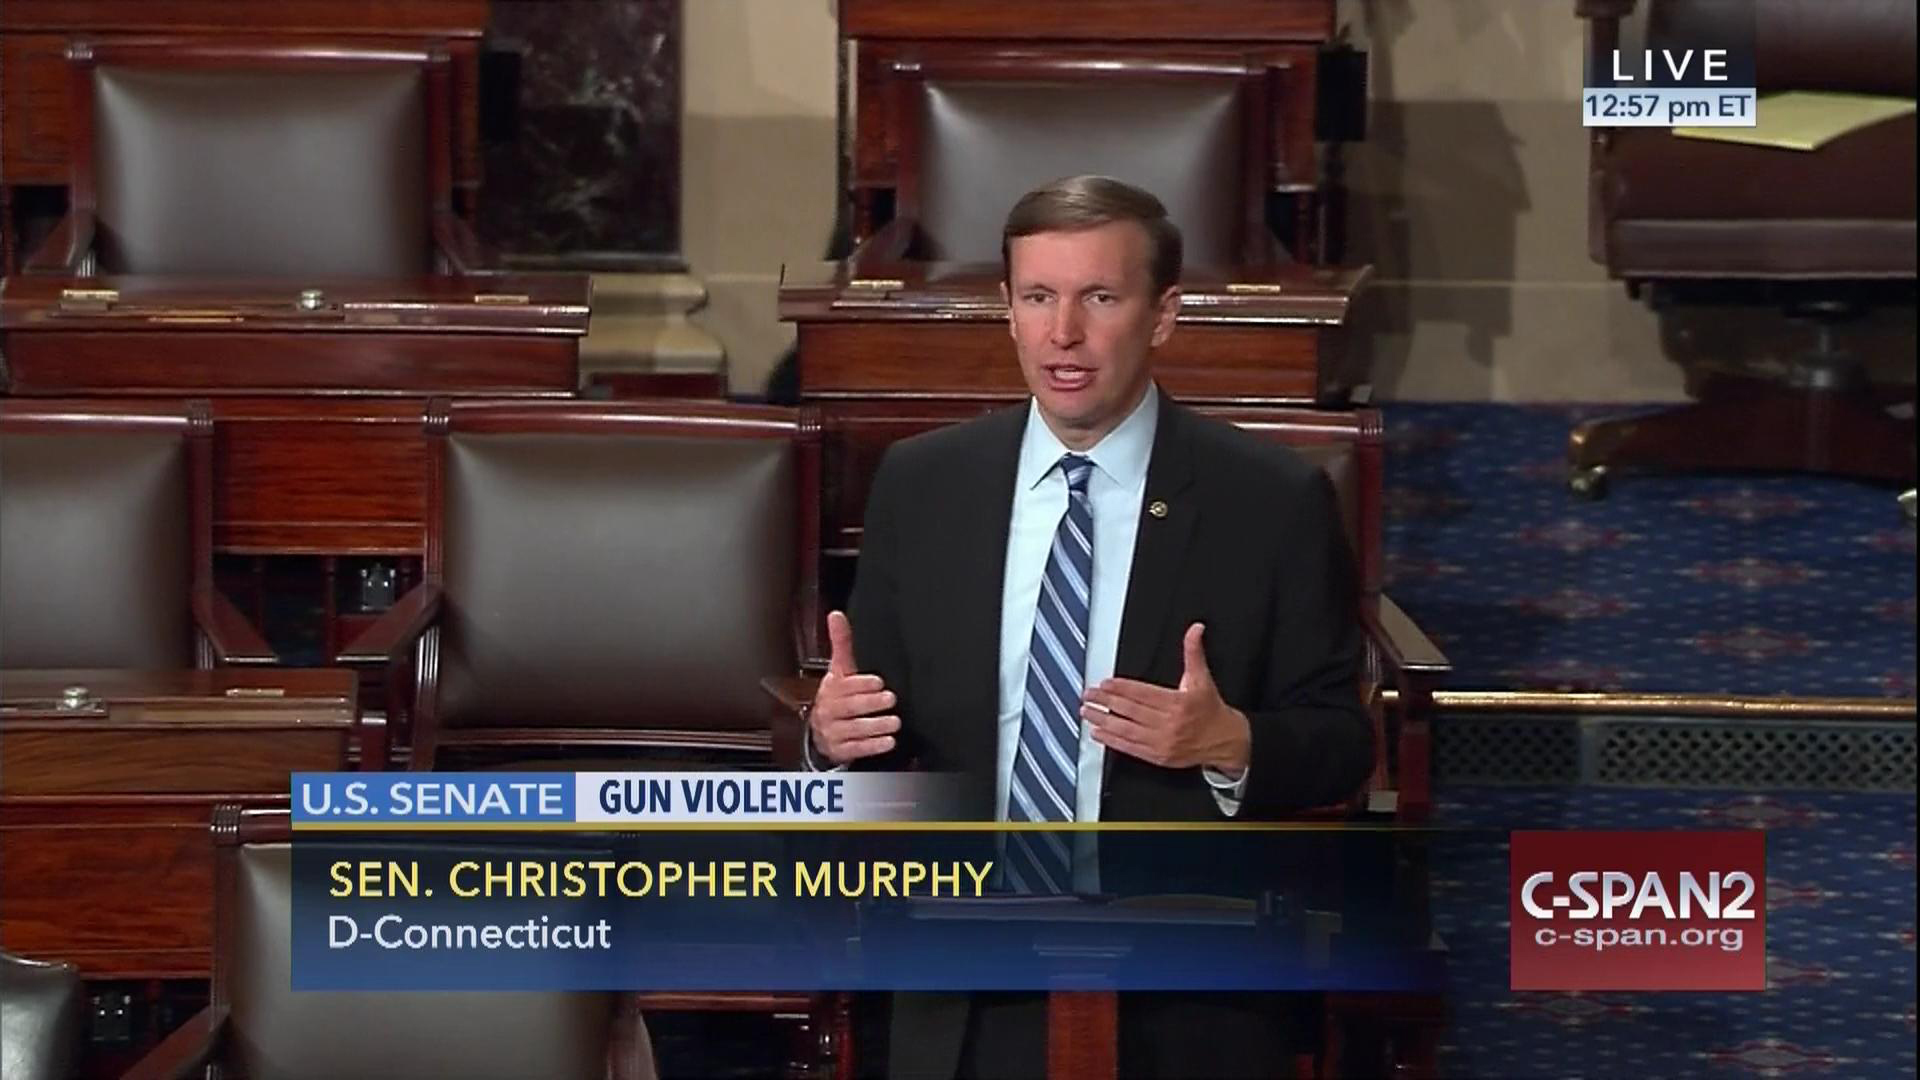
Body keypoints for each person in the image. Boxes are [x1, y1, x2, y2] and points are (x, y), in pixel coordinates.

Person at [807, 175, 1372, 1078]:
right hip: (963, 962)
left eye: (1099, 298)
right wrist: (827, 737)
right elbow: (873, 728)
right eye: (1038, 298)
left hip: (1176, 975)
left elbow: (1343, 742)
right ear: (1009, 309)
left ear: (1163, 315)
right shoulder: (924, 485)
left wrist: (1232, 743)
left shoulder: (1267, 502)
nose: (1062, 335)